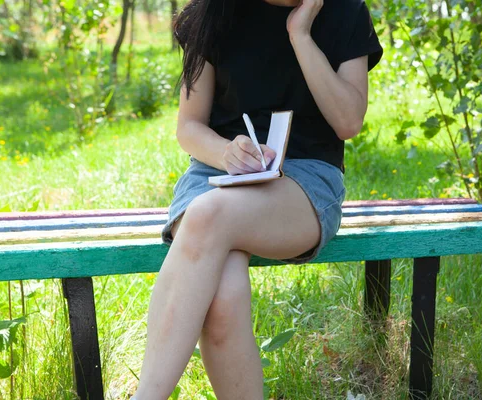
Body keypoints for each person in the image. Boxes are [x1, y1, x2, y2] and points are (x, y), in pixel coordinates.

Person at [131, 0, 382, 398]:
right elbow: (189, 127)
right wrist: (227, 153)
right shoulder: (213, 11)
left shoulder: (343, 10)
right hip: (215, 174)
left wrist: (300, 35)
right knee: (224, 297)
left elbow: (348, 121)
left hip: (305, 182)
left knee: (206, 217)